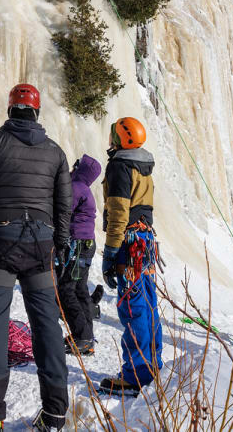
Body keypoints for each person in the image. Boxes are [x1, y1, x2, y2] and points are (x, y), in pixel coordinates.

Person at [0, 84, 72, 432]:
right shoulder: (55, 152)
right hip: (41, 246)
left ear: (10, 110)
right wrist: (61, 245)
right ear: (37, 112)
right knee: (47, 328)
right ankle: (54, 416)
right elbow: (63, 205)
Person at [98, 117, 163, 397]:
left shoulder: (120, 166)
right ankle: (153, 366)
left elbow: (118, 214)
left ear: (121, 139)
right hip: (145, 242)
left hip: (129, 245)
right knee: (147, 305)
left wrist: (111, 253)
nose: (110, 140)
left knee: (133, 307)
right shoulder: (143, 167)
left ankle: (136, 375)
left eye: (113, 135)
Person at [58, 154, 101, 356]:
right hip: (86, 245)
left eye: (76, 165)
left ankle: (82, 337)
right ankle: (86, 337)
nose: (72, 167)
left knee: (67, 289)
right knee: (80, 290)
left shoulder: (75, 188)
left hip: (77, 244)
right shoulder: (83, 188)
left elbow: (63, 212)